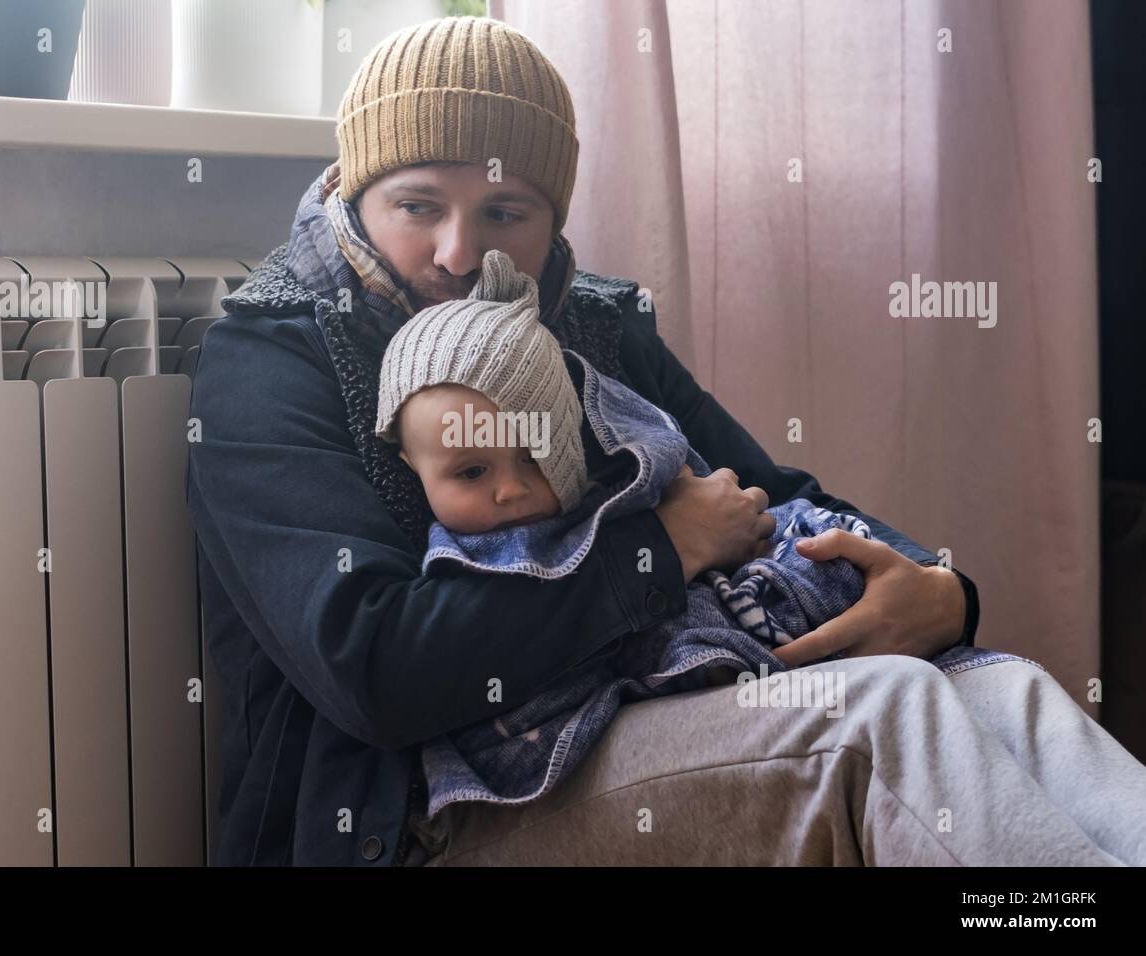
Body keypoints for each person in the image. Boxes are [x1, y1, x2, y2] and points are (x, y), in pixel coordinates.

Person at [185, 15, 1146, 866]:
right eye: (417, 205)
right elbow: (374, 673)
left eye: (503, 213)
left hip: (652, 712)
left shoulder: (594, 322)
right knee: (879, 722)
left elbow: (760, 490)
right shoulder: (276, 354)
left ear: (554, 220)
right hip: (421, 810)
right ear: (357, 197)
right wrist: (664, 548)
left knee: (999, 691)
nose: (455, 253)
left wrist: (937, 591)